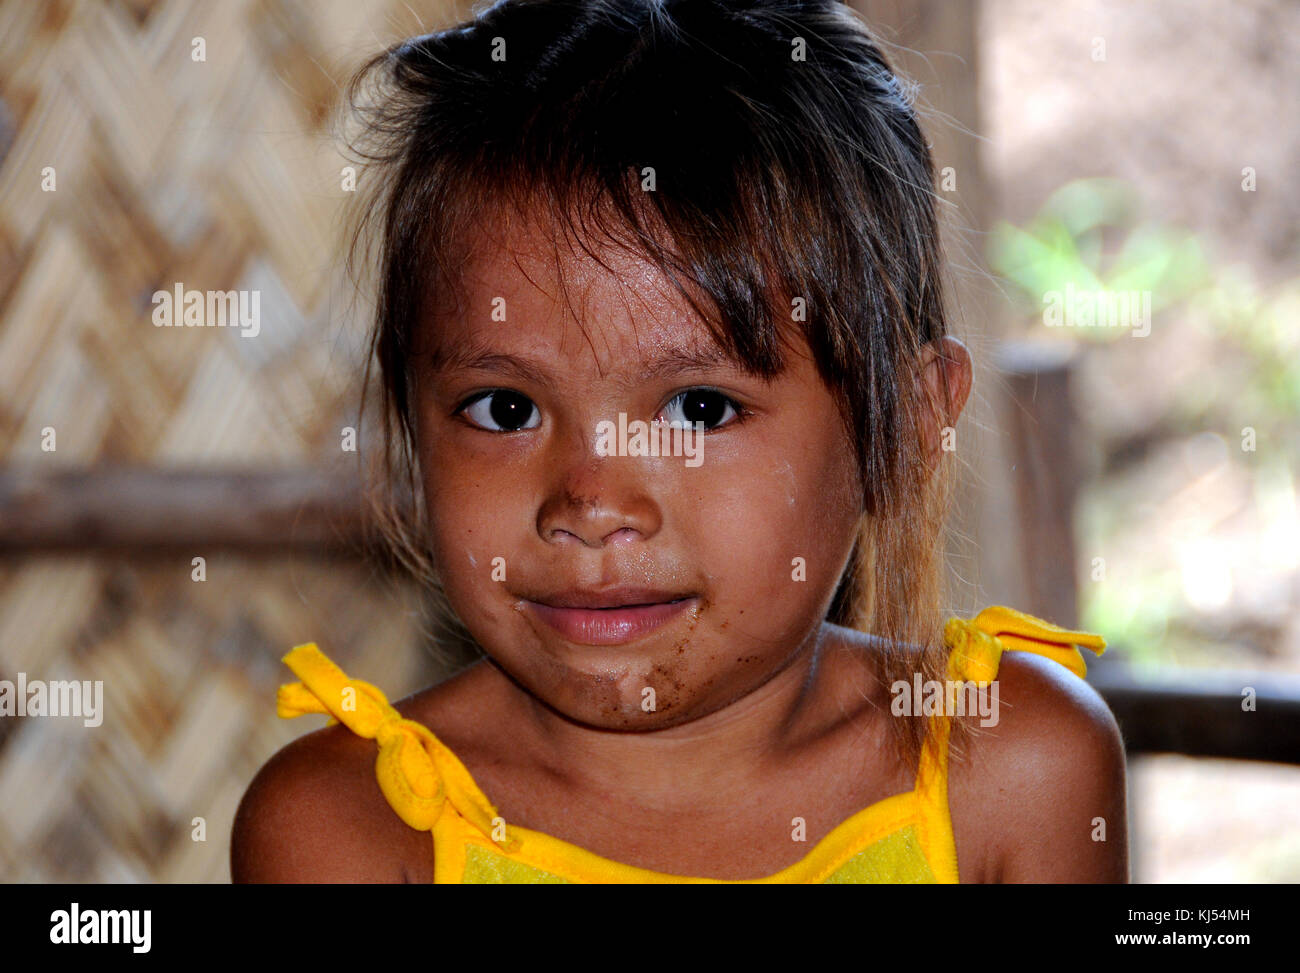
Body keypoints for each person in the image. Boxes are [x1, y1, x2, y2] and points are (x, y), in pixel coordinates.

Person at [232, 0, 1126, 883]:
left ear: (906, 427)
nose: (590, 504)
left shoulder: (1009, 773)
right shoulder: (351, 831)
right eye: (505, 409)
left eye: (699, 409)